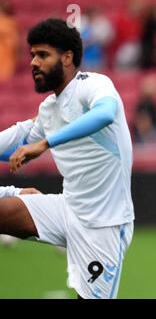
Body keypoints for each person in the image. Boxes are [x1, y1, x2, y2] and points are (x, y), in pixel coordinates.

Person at [0, 18, 134, 299]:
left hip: (104, 224)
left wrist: (46, 143)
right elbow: (14, 144)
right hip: (67, 209)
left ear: (68, 57)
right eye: (32, 55)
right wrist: (36, 141)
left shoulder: (93, 85)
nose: (34, 62)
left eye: (43, 55)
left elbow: (105, 113)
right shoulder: (49, 108)